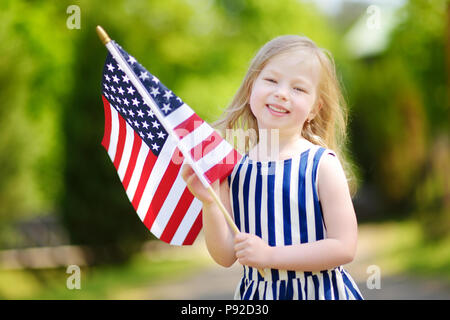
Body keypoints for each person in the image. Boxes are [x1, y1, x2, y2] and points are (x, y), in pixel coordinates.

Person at [181, 35, 363, 300]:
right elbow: (225, 255)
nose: (281, 93)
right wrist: (209, 203)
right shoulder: (236, 170)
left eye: (298, 89)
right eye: (271, 80)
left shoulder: (321, 164)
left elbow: (344, 247)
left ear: (314, 109)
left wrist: (271, 256)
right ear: (251, 88)